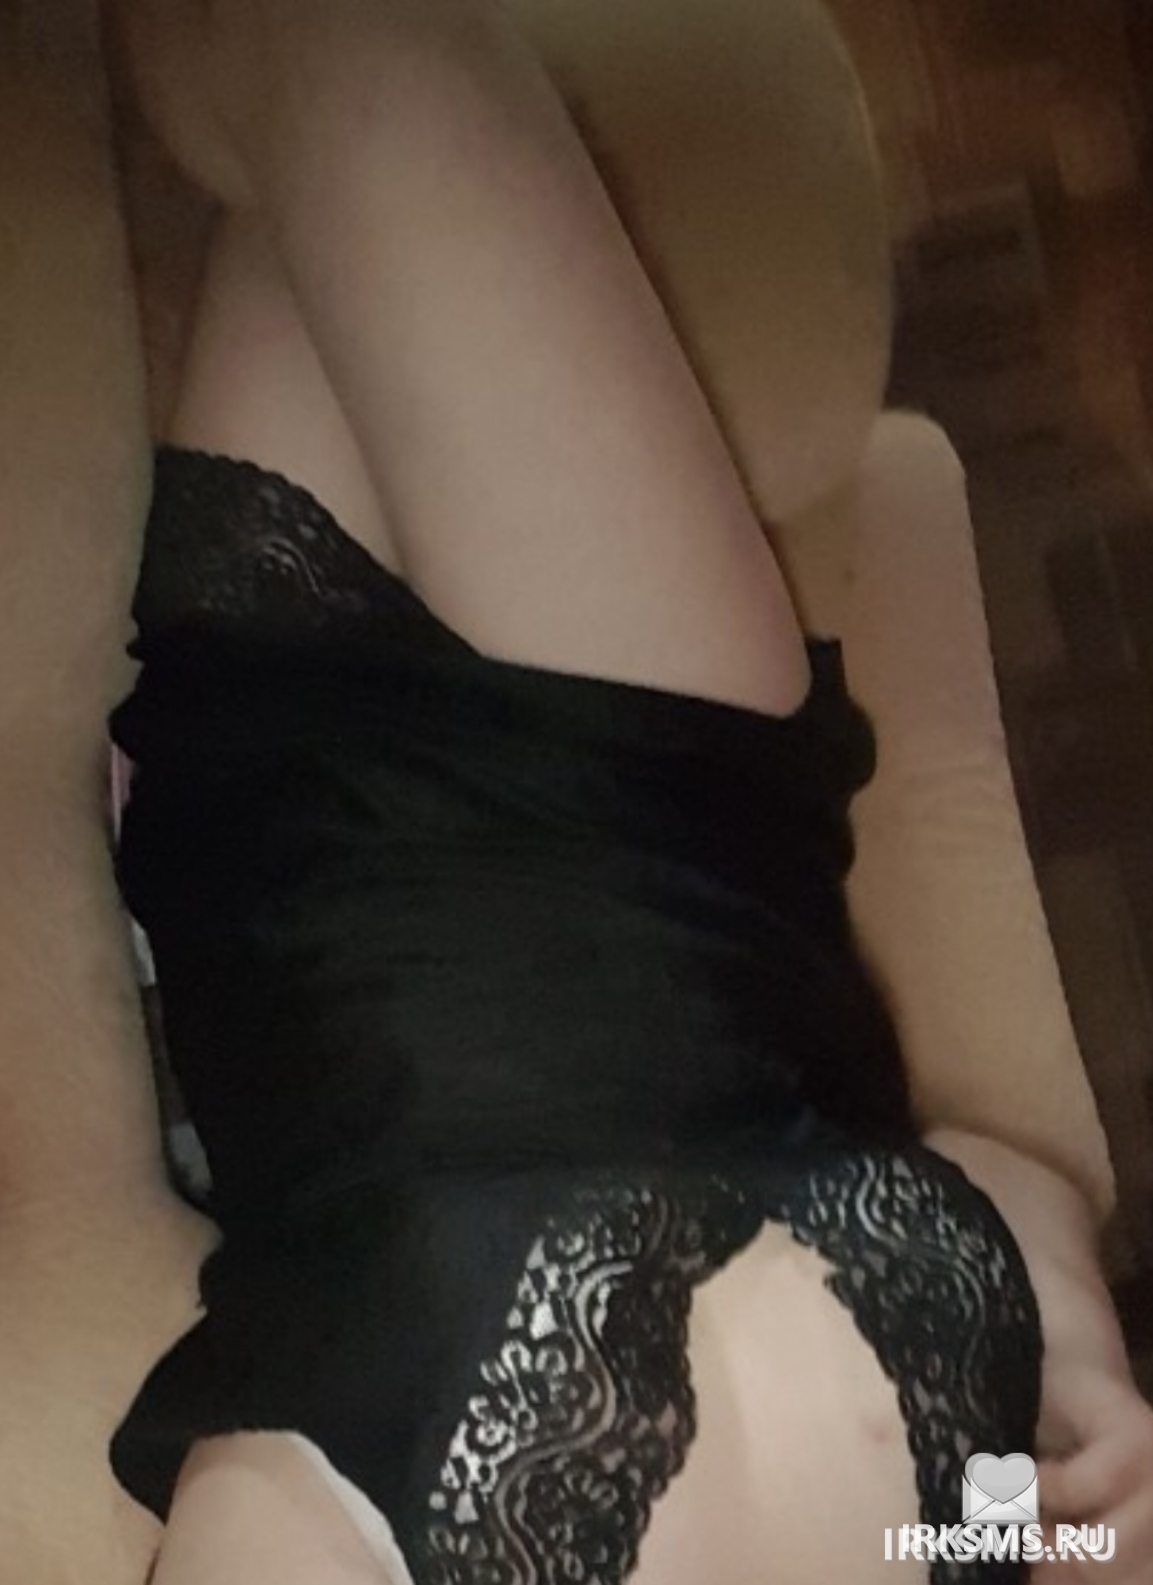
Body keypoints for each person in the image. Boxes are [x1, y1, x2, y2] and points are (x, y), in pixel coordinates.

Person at [3, 1, 1152, 1582]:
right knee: (362, 68)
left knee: (333, 81)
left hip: (336, 865)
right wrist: (1074, 1342)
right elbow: (983, 1191)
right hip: (671, 810)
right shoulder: (987, 1542)